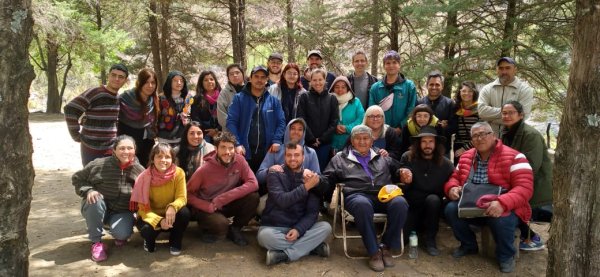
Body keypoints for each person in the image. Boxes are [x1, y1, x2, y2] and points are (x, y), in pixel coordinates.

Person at [444, 121, 533, 273]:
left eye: (484, 134)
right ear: (471, 140)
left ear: (493, 135)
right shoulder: (466, 157)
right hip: (472, 203)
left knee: (500, 218)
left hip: (505, 205)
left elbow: (525, 188)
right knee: (451, 209)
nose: (479, 138)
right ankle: (469, 245)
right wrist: (452, 188)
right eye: (475, 136)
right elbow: (455, 178)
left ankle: (506, 255)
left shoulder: (515, 156)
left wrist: (502, 203)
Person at [324, 125, 408, 272]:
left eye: (365, 138)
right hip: (357, 194)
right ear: (351, 140)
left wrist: (404, 172)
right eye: (358, 138)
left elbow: (398, 169)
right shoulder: (340, 158)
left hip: (383, 194)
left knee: (400, 203)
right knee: (363, 205)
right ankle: (374, 252)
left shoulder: (382, 156)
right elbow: (326, 178)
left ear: (371, 140)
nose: (362, 142)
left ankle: (386, 247)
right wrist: (317, 181)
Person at [72, 135, 144, 262]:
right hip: (98, 207)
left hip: (122, 211)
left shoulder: (139, 171)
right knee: (95, 199)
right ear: (114, 150)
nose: (126, 152)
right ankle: (96, 242)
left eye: (129, 148)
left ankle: (116, 230)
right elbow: (77, 179)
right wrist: (89, 190)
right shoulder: (98, 164)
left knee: (122, 234)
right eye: (122, 148)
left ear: (134, 150)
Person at [258, 143, 332, 265]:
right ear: (284, 157)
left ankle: (284, 255)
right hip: (274, 227)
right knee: (264, 237)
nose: (292, 158)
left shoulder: (310, 177)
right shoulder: (274, 173)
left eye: (296, 155)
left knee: (325, 227)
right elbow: (282, 201)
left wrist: (298, 230)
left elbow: (312, 213)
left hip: (300, 227)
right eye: (289, 155)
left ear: (303, 157)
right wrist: (306, 187)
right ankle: (311, 247)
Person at [186, 131, 259, 246]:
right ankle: (208, 229)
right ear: (216, 149)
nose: (227, 152)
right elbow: (187, 194)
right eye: (223, 147)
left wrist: (223, 199)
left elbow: (253, 183)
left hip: (225, 203)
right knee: (221, 225)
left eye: (231, 148)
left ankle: (235, 229)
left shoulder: (240, 160)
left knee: (253, 197)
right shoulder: (204, 170)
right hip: (208, 208)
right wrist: (207, 206)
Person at [500, 101, 552, 251]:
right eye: (504, 113)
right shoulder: (507, 132)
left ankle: (532, 238)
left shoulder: (530, 135)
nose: (507, 116)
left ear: (521, 115)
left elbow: (532, 166)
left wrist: (511, 183)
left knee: (514, 205)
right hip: (517, 178)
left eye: (511, 113)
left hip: (535, 181)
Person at [398, 126, 454, 256]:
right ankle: (416, 229)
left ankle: (430, 239)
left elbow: (454, 180)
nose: (427, 145)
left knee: (433, 200)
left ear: (436, 144)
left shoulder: (446, 163)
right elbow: (400, 173)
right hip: (411, 205)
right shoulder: (407, 157)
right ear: (418, 144)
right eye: (424, 141)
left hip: (433, 207)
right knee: (401, 240)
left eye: (431, 142)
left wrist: (454, 188)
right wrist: (402, 175)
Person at [131, 143, 190, 255]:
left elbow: (182, 197)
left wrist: (172, 206)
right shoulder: (143, 177)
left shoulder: (178, 173)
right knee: (147, 233)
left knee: (184, 213)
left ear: (172, 159)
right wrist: (159, 220)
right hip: (151, 215)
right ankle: (149, 240)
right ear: (153, 158)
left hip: (171, 215)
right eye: (159, 156)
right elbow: (143, 209)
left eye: (167, 157)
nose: (163, 160)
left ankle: (175, 240)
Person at [65, 63, 129, 166]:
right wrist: (76, 135)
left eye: (121, 77)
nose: (116, 79)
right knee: (90, 178)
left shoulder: (118, 98)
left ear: (125, 81)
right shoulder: (95, 92)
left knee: (107, 179)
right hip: (90, 148)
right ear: (108, 76)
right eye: (113, 75)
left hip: (110, 149)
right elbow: (70, 109)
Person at [226, 65, 286, 173]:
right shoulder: (239, 99)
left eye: (263, 77)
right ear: (250, 78)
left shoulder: (273, 101)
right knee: (246, 184)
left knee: (265, 183)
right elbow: (231, 122)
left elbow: (281, 122)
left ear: (267, 79)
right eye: (256, 76)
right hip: (244, 151)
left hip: (267, 151)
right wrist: (237, 143)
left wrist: (277, 140)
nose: (259, 80)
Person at [256, 118, 321, 194]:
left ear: (304, 133)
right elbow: (259, 177)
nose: (296, 132)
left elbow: (318, 180)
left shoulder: (311, 152)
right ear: (287, 130)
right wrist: (269, 171)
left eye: (300, 129)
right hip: (278, 194)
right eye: (293, 129)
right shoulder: (275, 150)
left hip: (303, 195)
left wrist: (310, 176)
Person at [297, 68, 339, 172]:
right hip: (308, 142)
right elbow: (301, 118)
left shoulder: (332, 98)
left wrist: (321, 139)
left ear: (325, 80)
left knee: (321, 171)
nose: (317, 83)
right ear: (310, 81)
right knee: (306, 171)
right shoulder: (304, 97)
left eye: (320, 79)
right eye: (314, 80)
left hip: (325, 144)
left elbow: (334, 121)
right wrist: (311, 138)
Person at [478, 57, 534, 134]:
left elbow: (523, 115)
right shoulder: (487, 89)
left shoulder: (525, 89)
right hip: (491, 138)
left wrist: (491, 118)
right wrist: (510, 113)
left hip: (514, 137)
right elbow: (481, 112)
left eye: (508, 68)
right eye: (501, 68)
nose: (504, 72)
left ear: (515, 70)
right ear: (496, 70)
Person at [117, 68, 160, 167]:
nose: (150, 86)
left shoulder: (154, 100)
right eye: (146, 82)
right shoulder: (125, 98)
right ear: (139, 82)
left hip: (146, 142)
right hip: (127, 142)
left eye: (153, 83)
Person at [368, 50, 417, 133]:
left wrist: (400, 127)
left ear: (399, 65)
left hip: (403, 133)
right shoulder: (375, 88)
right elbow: (372, 111)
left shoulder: (409, 86)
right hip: (380, 132)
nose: (391, 65)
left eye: (394, 62)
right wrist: (380, 128)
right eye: (388, 63)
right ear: (384, 66)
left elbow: (412, 110)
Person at [417, 71, 455, 155]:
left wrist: (443, 127)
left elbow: (454, 127)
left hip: (442, 150)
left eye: (437, 84)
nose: (434, 87)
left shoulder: (449, 104)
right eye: (431, 84)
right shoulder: (420, 103)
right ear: (427, 86)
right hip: (423, 149)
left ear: (442, 86)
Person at [330, 76, 365, 153]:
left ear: (348, 88)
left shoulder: (356, 102)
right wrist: (334, 127)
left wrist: (347, 128)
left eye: (343, 87)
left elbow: (361, 119)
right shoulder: (329, 101)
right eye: (337, 87)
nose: (340, 90)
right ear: (333, 88)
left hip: (351, 142)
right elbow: (325, 119)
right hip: (332, 143)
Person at [157, 71, 191, 145]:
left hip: (183, 137)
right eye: (175, 80)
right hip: (164, 138)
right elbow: (157, 117)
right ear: (169, 82)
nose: (179, 83)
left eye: (181, 80)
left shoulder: (188, 98)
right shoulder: (161, 98)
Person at [452, 81, 480, 165]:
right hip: (458, 146)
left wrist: (465, 149)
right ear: (459, 92)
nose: (466, 93)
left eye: (470, 91)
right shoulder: (456, 109)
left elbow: (480, 134)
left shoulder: (479, 110)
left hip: (475, 147)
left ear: (474, 93)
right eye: (464, 91)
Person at [191, 70, 222, 143]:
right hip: (205, 134)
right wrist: (207, 131)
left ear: (215, 81)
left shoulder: (223, 96)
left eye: (211, 79)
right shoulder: (197, 99)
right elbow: (195, 118)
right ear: (201, 83)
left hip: (222, 132)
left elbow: (227, 115)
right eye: (206, 80)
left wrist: (217, 130)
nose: (209, 82)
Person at [217, 64, 246, 132]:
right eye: (231, 74)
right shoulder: (224, 94)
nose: (235, 75)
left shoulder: (252, 90)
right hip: (231, 134)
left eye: (237, 73)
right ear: (228, 77)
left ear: (242, 74)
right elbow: (222, 117)